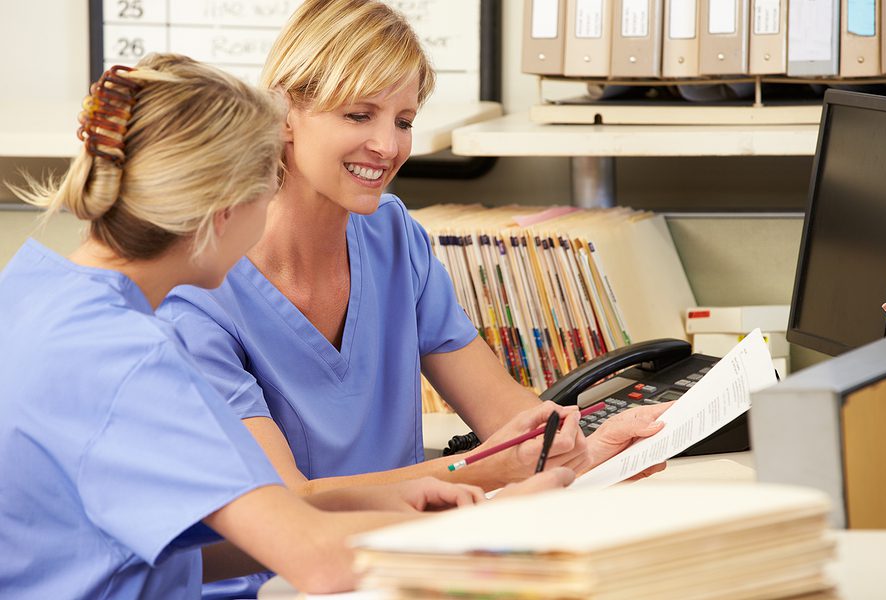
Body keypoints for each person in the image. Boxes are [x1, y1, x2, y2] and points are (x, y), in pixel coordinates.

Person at [0, 54, 572, 599]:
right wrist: (497, 520)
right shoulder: (131, 359)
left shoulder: (29, 291)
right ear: (224, 211)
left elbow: (169, 548)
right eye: (268, 187)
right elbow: (318, 563)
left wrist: (387, 503)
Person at [160, 2, 668, 594]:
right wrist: (478, 468)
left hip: (404, 570)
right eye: (358, 114)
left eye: (403, 120)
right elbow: (287, 506)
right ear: (285, 113)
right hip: (279, 585)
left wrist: (592, 451)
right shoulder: (197, 292)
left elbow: (515, 425)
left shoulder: (393, 236)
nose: (386, 144)